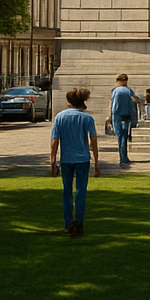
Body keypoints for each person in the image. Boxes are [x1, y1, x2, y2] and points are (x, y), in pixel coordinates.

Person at [50, 88, 100, 237]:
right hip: (83, 159)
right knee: (80, 192)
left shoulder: (60, 117)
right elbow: (94, 140)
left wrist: (52, 161)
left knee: (67, 193)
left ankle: (68, 223)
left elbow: (54, 141)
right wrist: (97, 162)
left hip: (66, 159)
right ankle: (79, 222)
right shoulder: (87, 118)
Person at [109, 73, 140, 166]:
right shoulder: (129, 91)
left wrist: (111, 116)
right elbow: (133, 105)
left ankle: (122, 157)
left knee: (120, 137)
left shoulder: (116, 91)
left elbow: (114, 106)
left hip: (118, 116)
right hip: (127, 116)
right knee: (124, 137)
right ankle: (124, 157)